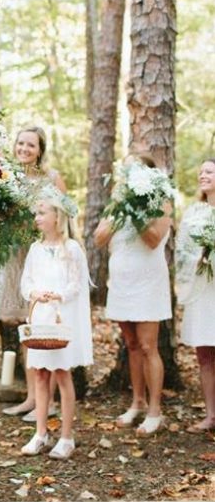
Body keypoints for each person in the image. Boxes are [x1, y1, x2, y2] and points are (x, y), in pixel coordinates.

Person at [94, 153, 172, 436]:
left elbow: (153, 240)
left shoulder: (160, 202)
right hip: (122, 284)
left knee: (149, 345)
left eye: (133, 169)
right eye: (124, 168)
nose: (126, 173)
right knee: (131, 344)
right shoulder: (116, 203)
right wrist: (119, 210)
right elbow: (99, 238)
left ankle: (155, 410)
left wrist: (134, 210)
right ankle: (137, 402)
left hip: (148, 283)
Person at [19, 190, 92, 459]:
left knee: (62, 374)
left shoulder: (71, 248)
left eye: (41, 213)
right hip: (40, 319)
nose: (36, 217)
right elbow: (26, 281)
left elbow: (77, 283)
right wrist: (35, 294)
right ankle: (40, 433)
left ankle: (66, 436)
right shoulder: (35, 249)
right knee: (39, 373)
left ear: (56, 216)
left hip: (60, 319)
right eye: (36, 213)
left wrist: (58, 295)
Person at [0, 126, 66, 422]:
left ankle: (48, 401)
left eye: (31, 145)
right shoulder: (5, 177)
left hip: (42, 257)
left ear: (40, 150)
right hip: (14, 257)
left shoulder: (51, 179)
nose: (24, 148)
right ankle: (31, 397)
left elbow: (65, 216)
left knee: (43, 326)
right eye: (21, 143)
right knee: (25, 326)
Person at [176, 158, 215, 432]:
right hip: (201, 288)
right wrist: (198, 257)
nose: (203, 175)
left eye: (210, 171)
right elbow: (182, 250)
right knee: (204, 353)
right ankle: (211, 415)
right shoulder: (194, 212)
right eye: (201, 171)